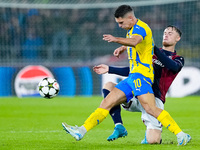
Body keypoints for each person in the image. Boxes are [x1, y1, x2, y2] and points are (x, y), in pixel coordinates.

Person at [62, 5, 190, 146]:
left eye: (121, 23)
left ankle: (181, 134)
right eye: (165, 32)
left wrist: (116, 39)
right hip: (133, 78)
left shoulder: (143, 31)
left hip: (146, 82)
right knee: (107, 101)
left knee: (151, 113)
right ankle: (82, 130)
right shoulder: (134, 34)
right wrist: (118, 55)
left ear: (130, 18)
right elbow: (135, 50)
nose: (119, 26)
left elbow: (137, 42)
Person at [93, 25, 190, 144]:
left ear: (178, 38)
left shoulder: (178, 58)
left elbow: (173, 67)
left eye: (170, 33)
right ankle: (119, 126)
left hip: (154, 99)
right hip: (137, 92)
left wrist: (153, 48)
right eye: (165, 32)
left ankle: (152, 134)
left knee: (153, 141)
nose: (166, 34)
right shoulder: (149, 53)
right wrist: (109, 68)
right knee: (109, 86)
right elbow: (134, 71)